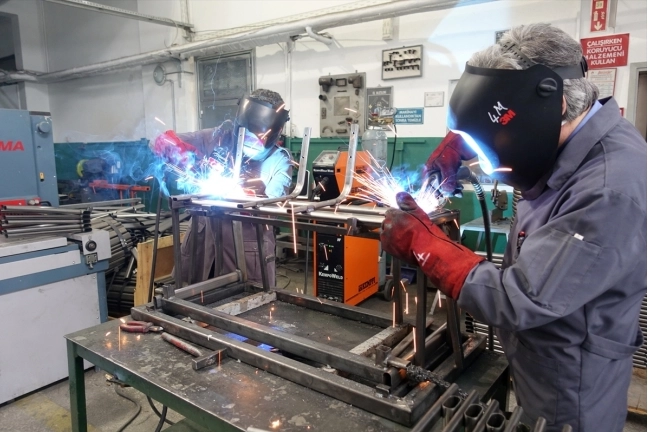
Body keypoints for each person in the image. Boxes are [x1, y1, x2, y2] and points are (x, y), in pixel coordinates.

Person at [381, 23, 646, 432]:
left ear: (554, 105)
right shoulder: (567, 141)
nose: (489, 161)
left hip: (570, 384)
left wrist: (426, 245)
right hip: (538, 354)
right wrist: (468, 139)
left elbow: (520, 297)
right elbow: (515, 130)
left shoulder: (609, 187)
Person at [154, 88, 293, 288]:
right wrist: (186, 158)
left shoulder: (280, 159)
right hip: (201, 245)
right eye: (247, 136)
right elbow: (160, 142)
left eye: (257, 139)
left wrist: (243, 195)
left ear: (275, 132)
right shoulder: (217, 137)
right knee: (190, 298)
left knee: (244, 303)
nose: (250, 143)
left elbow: (274, 206)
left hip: (245, 253)